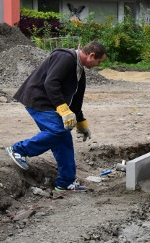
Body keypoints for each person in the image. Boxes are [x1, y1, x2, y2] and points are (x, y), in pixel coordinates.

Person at [7, 41, 107, 191]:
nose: (98, 65)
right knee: (58, 131)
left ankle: (66, 182)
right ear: (91, 55)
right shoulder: (65, 58)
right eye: (98, 61)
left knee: (64, 138)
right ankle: (19, 150)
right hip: (38, 99)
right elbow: (51, 83)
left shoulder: (79, 71)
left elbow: (76, 102)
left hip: (50, 103)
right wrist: (62, 109)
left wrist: (81, 122)